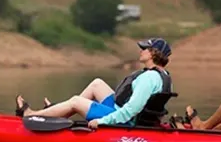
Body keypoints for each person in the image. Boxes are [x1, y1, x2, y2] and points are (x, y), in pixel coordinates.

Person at [15, 38, 173, 129]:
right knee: (97, 84)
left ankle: (33, 115)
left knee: (77, 101)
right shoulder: (162, 75)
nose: (141, 50)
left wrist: (102, 121)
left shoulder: (148, 78)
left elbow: (131, 110)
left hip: (124, 120)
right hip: (122, 111)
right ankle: (58, 111)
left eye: (145, 48)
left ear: (153, 53)